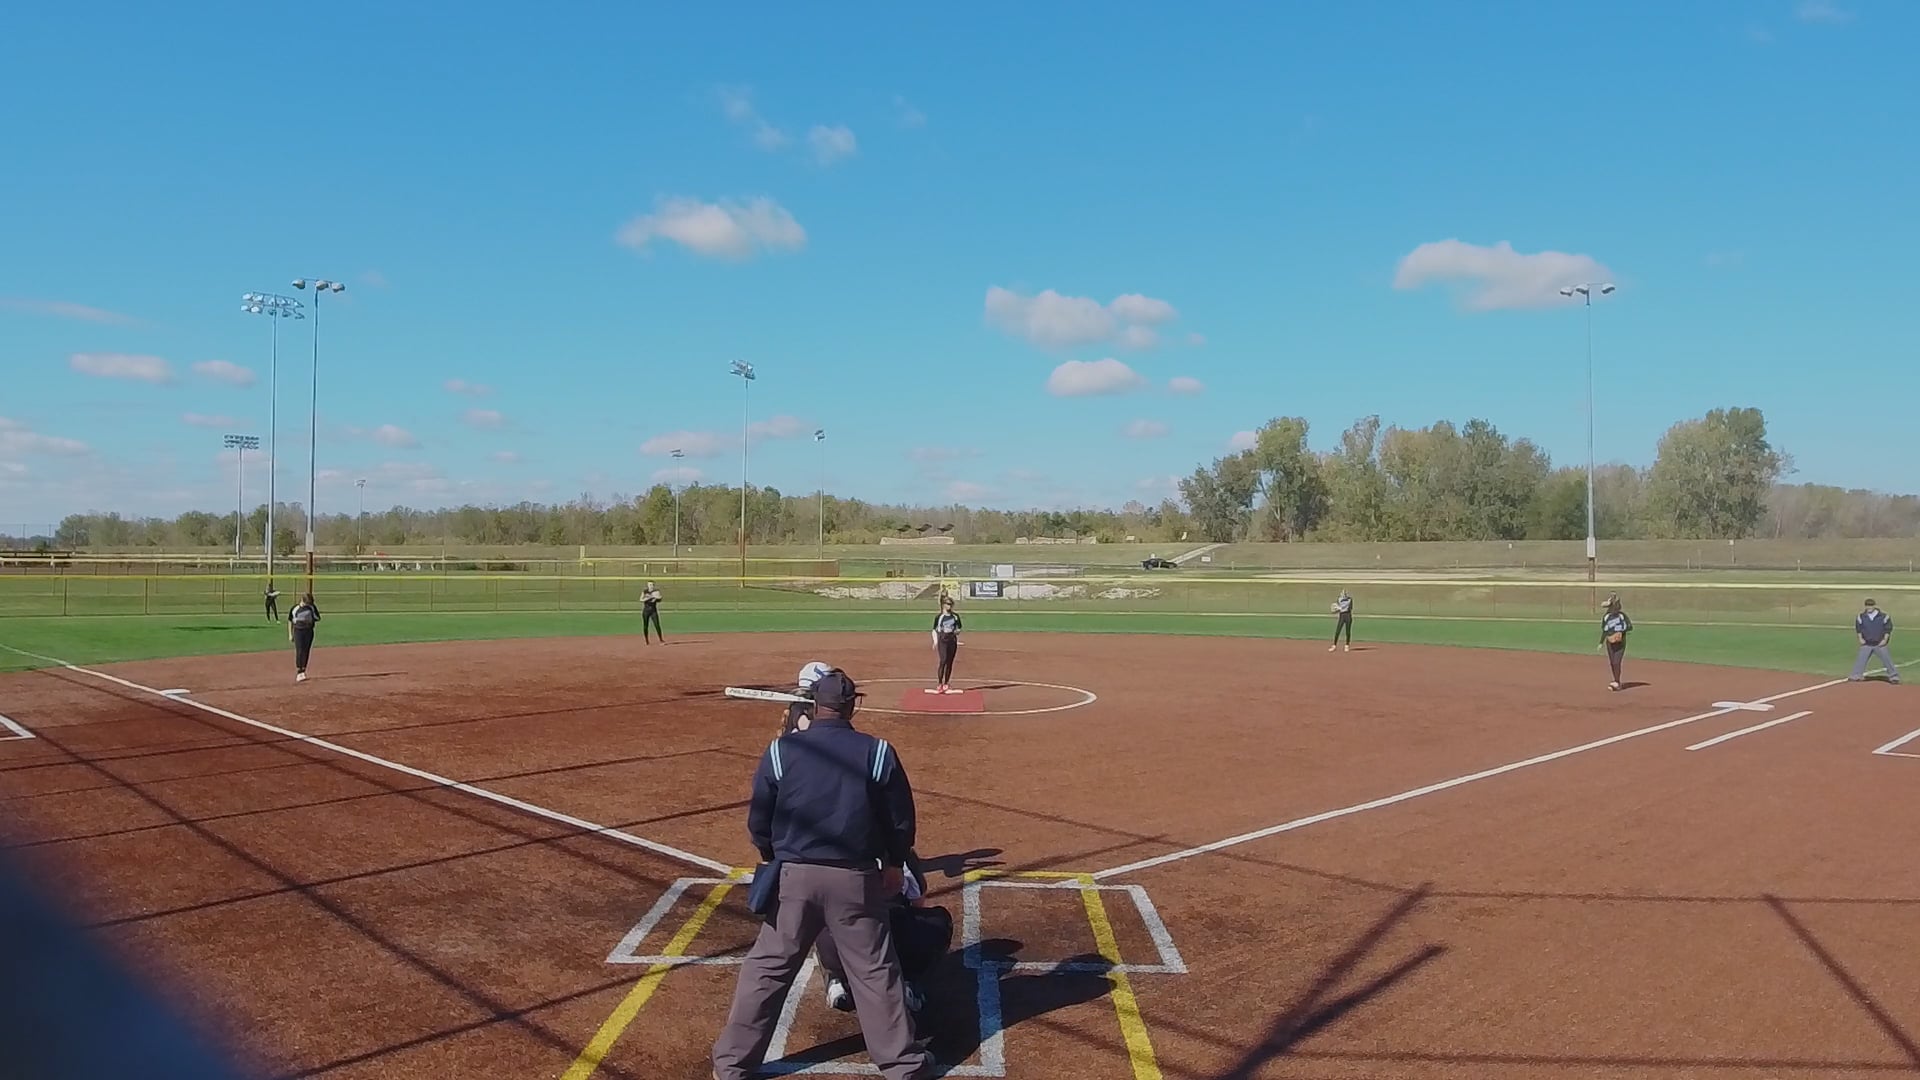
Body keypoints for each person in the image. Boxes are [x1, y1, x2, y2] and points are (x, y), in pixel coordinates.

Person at [712, 670, 933, 1080]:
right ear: (852, 706)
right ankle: (902, 1066)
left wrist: (772, 855)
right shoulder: (877, 751)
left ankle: (733, 1066)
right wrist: (894, 863)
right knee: (874, 971)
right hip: (855, 881)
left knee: (767, 969)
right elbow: (899, 820)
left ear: (814, 705)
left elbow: (759, 819)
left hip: (794, 878)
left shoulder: (781, 750)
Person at [816, 850, 952, 1016]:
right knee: (938, 921)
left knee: (824, 920)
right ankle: (909, 981)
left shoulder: (832, 854)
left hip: (847, 938)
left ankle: (837, 980)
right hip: (891, 937)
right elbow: (918, 903)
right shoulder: (899, 855)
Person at [1850, 598, 1900, 684]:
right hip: (1867, 643)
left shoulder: (1884, 616)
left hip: (1879, 643)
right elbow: (1859, 629)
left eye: (1871, 605)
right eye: (1867, 605)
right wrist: (1860, 638)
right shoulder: (1861, 616)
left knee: (1887, 660)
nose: (1869, 607)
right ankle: (1856, 675)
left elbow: (1888, 629)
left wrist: (1885, 640)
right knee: (1860, 660)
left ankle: (1894, 676)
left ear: (1874, 606)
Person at [928, 594, 962, 694]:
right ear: (943, 605)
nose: (949, 606)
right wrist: (935, 641)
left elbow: (959, 628)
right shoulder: (939, 617)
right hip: (943, 640)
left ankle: (946, 683)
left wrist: (957, 632)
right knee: (943, 660)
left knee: (949, 662)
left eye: (951, 604)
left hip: (952, 640)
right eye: (947, 604)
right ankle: (940, 683)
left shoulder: (955, 616)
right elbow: (934, 629)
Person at [1600, 593, 1632, 691]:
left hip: (1620, 643)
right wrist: (1601, 642)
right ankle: (1616, 681)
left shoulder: (1622, 616)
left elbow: (1630, 626)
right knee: (1612, 662)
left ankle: (1617, 682)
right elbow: (1605, 630)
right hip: (1610, 643)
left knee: (1616, 662)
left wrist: (1620, 632)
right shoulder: (1606, 617)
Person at [288, 592, 320, 683]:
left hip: (308, 631)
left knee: (306, 650)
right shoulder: (295, 609)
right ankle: (299, 670)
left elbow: (317, 618)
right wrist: (290, 634)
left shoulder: (311, 608)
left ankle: (303, 670)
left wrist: (310, 616)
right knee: (300, 650)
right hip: (298, 631)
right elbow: (290, 621)